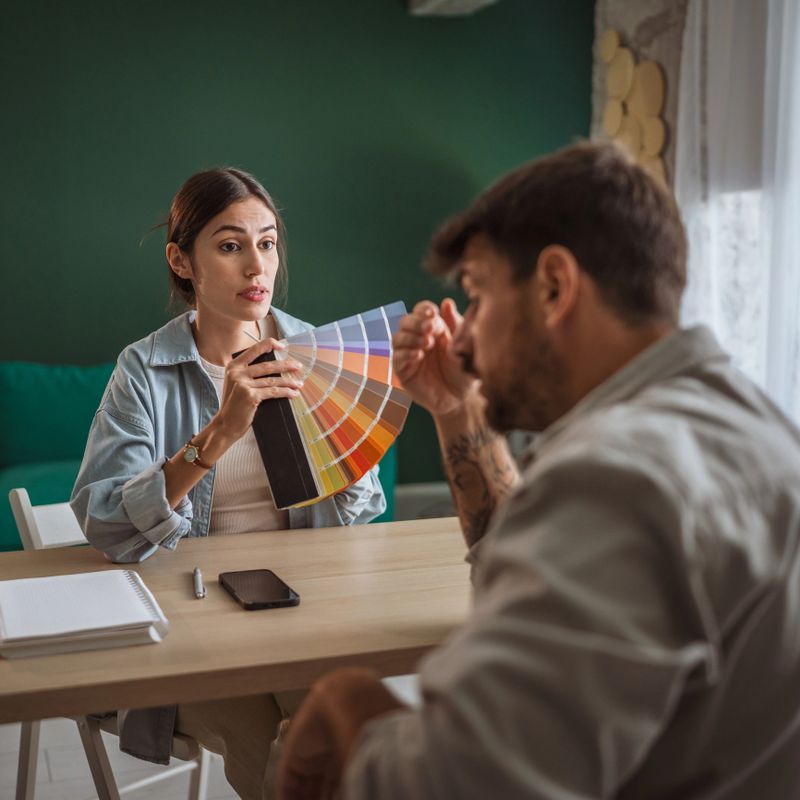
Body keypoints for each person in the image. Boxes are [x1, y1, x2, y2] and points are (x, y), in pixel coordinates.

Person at [277, 141, 800, 799]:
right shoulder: (762, 433)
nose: (463, 335)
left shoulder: (615, 479)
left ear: (553, 285)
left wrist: (347, 699)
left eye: (477, 292)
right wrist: (457, 410)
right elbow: (531, 560)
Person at [70, 167, 385, 800]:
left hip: (301, 610)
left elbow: (361, 507)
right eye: (230, 244)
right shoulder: (143, 369)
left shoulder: (312, 351)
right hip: (190, 623)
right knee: (283, 743)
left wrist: (341, 446)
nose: (256, 267)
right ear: (181, 261)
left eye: (267, 243)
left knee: (345, 725)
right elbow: (103, 521)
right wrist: (220, 432)